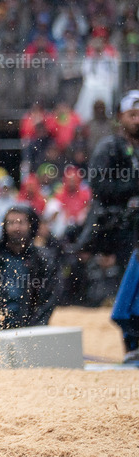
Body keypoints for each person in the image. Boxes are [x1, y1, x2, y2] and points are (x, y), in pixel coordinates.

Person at [89, 90, 139, 363]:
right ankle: (131, 345)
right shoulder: (109, 147)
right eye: (133, 115)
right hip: (121, 230)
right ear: (121, 117)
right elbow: (98, 185)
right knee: (128, 289)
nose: (138, 120)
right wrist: (131, 187)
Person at [0, 206, 60, 331]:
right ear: (4, 227)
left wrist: (35, 327)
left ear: (30, 225)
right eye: (11, 223)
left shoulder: (43, 259)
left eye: (21, 222)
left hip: (33, 327)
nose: (16, 227)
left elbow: (50, 298)